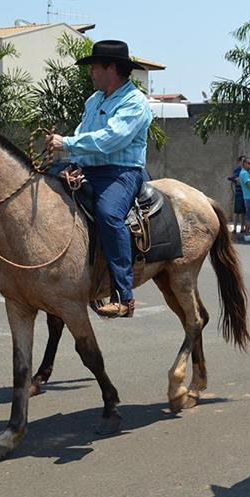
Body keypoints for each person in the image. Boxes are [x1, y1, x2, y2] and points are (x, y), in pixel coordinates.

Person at [46, 40, 153, 318]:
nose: (91, 72)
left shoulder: (135, 102)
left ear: (112, 68)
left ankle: (124, 296)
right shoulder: (94, 100)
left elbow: (112, 138)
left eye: (95, 67)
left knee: (108, 214)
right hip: (87, 168)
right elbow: (83, 133)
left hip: (120, 172)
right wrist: (72, 163)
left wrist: (66, 144)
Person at [228, 155, 247, 234]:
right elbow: (234, 179)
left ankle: (243, 228)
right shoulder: (237, 170)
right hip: (239, 193)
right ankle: (235, 228)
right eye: (242, 161)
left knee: (244, 212)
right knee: (236, 212)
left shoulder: (248, 171)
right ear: (239, 162)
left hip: (246, 193)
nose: (243, 163)